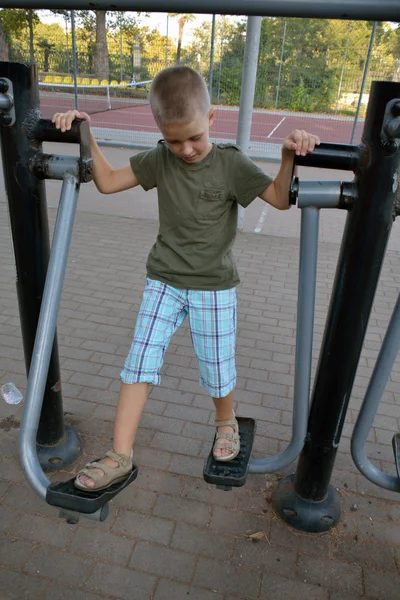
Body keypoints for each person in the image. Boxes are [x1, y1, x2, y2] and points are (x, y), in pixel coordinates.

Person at [52, 66, 320, 492]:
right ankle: (120, 454)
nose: (186, 149)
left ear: (211, 119)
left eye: (194, 137)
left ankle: (225, 421)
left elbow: (280, 199)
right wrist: (86, 133)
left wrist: (288, 156)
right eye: (174, 140)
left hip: (213, 286)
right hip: (163, 279)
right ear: (160, 130)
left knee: (216, 366)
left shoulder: (230, 163)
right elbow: (106, 182)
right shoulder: (161, 158)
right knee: (139, 361)